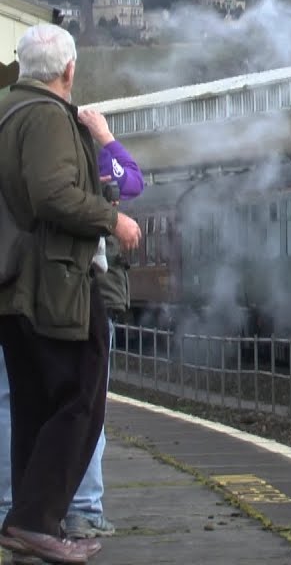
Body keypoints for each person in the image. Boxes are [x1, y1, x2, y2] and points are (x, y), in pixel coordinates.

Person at [0, 23, 141, 564]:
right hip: (53, 284)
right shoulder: (47, 117)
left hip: (16, 287)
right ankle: (34, 520)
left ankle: (29, 525)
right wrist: (113, 220)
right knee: (81, 397)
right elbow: (53, 193)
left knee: (34, 405)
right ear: (69, 70)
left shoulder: (7, 113)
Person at [64, 109, 144, 539]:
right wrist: (105, 135)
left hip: (29, 295)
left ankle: (12, 510)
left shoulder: (29, 155)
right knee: (89, 408)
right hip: (87, 298)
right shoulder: (91, 163)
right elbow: (132, 180)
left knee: (15, 405)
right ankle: (84, 509)